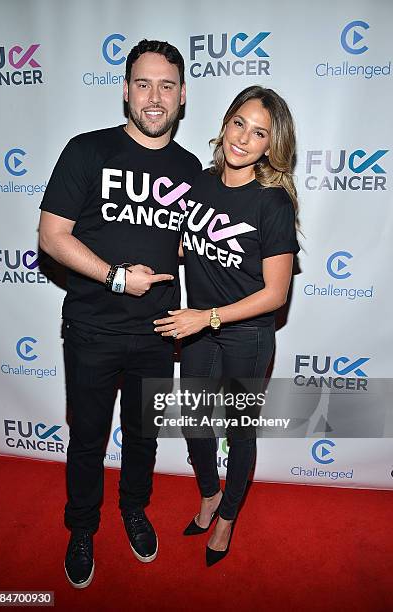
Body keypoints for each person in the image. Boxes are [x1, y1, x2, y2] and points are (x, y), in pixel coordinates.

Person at [38, 39, 201, 588]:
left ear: (182, 97)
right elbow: (52, 236)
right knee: (87, 436)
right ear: (125, 90)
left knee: (142, 436)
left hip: (158, 329)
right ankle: (82, 527)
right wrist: (114, 276)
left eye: (167, 86)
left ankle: (134, 508)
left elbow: (186, 242)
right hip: (91, 328)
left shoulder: (190, 167)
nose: (154, 97)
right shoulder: (86, 151)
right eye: (143, 84)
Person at [154, 85, 300, 566]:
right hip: (198, 330)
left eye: (259, 133)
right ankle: (210, 494)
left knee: (238, 432)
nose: (244, 138)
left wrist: (209, 316)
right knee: (196, 426)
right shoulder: (199, 182)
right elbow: (183, 244)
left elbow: (275, 294)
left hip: (245, 336)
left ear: (271, 146)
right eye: (239, 123)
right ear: (224, 123)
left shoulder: (272, 203)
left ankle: (228, 517)